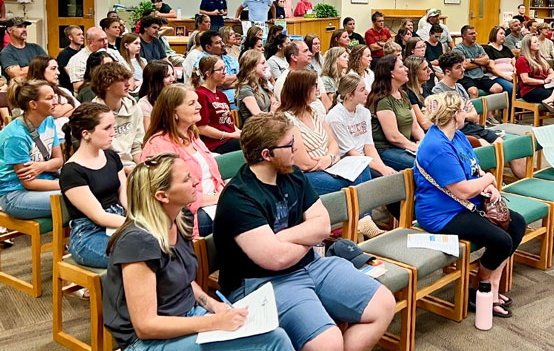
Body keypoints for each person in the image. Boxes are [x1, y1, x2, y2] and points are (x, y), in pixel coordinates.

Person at [213, 111, 394, 351]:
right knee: (328, 342)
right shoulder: (239, 197)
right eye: (289, 144)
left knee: (383, 304)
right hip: (264, 282)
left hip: (313, 265)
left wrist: (283, 237)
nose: (296, 149)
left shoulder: (292, 174)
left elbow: (323, 225)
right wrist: (309, 237)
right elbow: (276, 259)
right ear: (267, 154)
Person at [103, 153, 294, 351]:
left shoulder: (179, 218)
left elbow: (182, 278)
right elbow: (146, 326)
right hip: (148, 341)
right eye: (186, 179)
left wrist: (212, 305)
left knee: (268, 327)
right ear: (162, 196)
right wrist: (214, 322)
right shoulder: (137, 242)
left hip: (188, 317)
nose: (196, 181)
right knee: (273, 340)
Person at [413, 91, 523, 318]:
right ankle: (480, 289)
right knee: (501, 240)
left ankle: (492, 285)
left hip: (466, 203)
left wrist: (489, 185)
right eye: (463, 110)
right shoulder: (436, 145)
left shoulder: (458, 136)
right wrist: (490, 178)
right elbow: (462, 189)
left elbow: (475, 168)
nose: (467, 113)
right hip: (442, 213)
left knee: (517, 224)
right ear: (454, 115)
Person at [142, 84, 224, 237]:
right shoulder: (158, 146)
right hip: (186, 214)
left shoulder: (192, 135)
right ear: (174, 112)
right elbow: (173, 196)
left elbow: (214, 177)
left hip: (212, 202)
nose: (199, 106)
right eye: (192, 103)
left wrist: (222, 192)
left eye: (197, 101)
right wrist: (217, 199)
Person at [278, 70, 370, 194]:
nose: (318, 89)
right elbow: (303, 163)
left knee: (363, 167)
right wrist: (332, 159)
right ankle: (360, 207)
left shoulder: (314, 111)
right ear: (303, 89)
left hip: (329, 165)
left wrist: (330, 158)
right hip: (307, 173)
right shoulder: (287, 120)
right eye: (315, 85)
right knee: (351, 183)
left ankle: (360, 207)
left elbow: (333, 142)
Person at [60, 103, 126, 268]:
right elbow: (98, 216)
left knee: (159, 244)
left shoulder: (111, 156)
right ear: (86, 134)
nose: (113, 132)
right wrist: (138, 224)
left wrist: (138, 219)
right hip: (88, 234)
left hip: (118, 221)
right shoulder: (72, 171)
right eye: (107, 128)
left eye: (113, 126)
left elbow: (124, 196)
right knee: (139, 254)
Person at [0, 79, 62, 219]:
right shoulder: (16, 135)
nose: (55, 102)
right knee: (77, 197)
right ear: (33, 104)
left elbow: (58, 161)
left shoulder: (48, 120)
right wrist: (66, 185)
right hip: (14, 193)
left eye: (55, 97)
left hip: (45, 181)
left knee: (85, 193)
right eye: (49, 98)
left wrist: (42, 166)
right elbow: (29, 182)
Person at [327, 74, 397, 181]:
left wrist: (383, 167)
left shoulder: (364, 112)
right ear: (350, 96)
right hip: (349, 161)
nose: (367, 92)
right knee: (383, 180)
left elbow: (369, 146)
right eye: (362, 90)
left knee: (390, 175)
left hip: (365, 159)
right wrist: (380, 169)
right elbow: (351, 152)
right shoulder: (335, 117)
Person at [369, 56, 425, 171]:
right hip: (387, 149)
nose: (406, 69)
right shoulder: (383, 100)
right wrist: (416, 148)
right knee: (423, 163)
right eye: (401, 66)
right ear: (391, 74)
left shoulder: (403, 95)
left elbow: (415, 127)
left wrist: (423, 143)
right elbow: (393, 137)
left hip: (406, 146)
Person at [433, 52, 502, 145]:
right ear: (447, 71)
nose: (463, 69)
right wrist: (465, 114)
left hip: (472, 127)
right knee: (485, 146)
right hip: (458, 132)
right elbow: (449, 120)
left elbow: (474, 115)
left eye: (462, 66)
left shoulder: (460, 87)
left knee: (500, 143)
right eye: (458, 67)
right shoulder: (438, 91)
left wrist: (462, 114)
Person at [92, 63, 145, 171]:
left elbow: (136, 148)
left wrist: (144, 167)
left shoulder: (135, 108)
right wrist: (124, 170)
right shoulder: (93, 114)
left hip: (131, 166)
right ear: (107, 85)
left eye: (128, 79)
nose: (128, 84)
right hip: (107, 168)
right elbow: (97, 155)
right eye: (122, 80)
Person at [516, 34, 554, 120]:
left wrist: (552, 77)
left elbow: (551, 71)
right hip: (530, 90)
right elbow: (525, 80)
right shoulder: (522, 59)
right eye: (535, 42)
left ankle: (549, 100)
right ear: (528, 45)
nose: (538, 43)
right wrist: (544, 81)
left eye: (538, 41)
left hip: (545, 86)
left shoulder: (540, 57)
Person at [191, 56, 241, 154]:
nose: (224, 72)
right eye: (220, 69)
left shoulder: (222, 95)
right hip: (216, 144)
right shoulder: (201, 95)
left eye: (224, 68)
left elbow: (229, 122)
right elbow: (201, 128)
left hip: (229, 138)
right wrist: (230, 135)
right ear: (208, 73)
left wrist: (239, 132)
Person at [26, 55, 77, 141]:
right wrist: (69, 106)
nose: (58, 72)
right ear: (40, 71)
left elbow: (79, 110)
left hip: (73, 133)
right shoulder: (30, 94)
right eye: (53, 69)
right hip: (50, 138)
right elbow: (51, 112)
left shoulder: (63, 90)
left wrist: (61, 111)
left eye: (57, 68)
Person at [274, 41, 331, 115]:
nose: (310, 54)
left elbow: (326, 101)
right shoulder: (283, 81)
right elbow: (289, 110)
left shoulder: (312, 75)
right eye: (305, 51)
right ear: (294, 57)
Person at [453, 25, 506, 99]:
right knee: (474, 92)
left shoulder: (478, 47)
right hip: (466, 77)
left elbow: (486, 60)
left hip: (481, 77)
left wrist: (472, 60)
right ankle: (472, 107)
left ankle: (488, 107)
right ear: (464, 36)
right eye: (471, 34)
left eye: (475, 33)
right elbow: (464, 65)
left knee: (498, 88)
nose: (474, 35)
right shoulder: (458, 49)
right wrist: (480, 63)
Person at [66, 26, 122, 92]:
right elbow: (77, 87)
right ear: (90, 43)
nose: (106, 42)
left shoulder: (113, 53)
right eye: (101, 40)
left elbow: (127, 72)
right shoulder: (78, 59)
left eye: (106, 39)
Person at [235, 50, 276, 127]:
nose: (266, 66)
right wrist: (272, 112)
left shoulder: (262, 83)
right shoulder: (245, 89)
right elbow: (257, 115)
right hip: (255, 129)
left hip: (267, 125)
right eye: (263, 63)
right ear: (252, 66)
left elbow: (274, 102)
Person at [138, 60, 175, 131]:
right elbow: (148, 132)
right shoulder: (144, 104)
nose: (172, 79)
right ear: (156, 80)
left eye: (172, 74)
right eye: (167, 76)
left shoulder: (174, 96)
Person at [404, 55, 434, 131]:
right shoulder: (408, 93)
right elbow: (424, 124)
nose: (429, 71)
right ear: (414, 73)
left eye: (428, 67)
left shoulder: (426, 89)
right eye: (424, 69)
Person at [57, 25, 84, 92]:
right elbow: (71, 74)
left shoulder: (83, 52)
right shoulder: (64, 54)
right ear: (70, 37)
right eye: (78, 35)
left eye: (82, 34)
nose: (82, 37)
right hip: (69, 89)